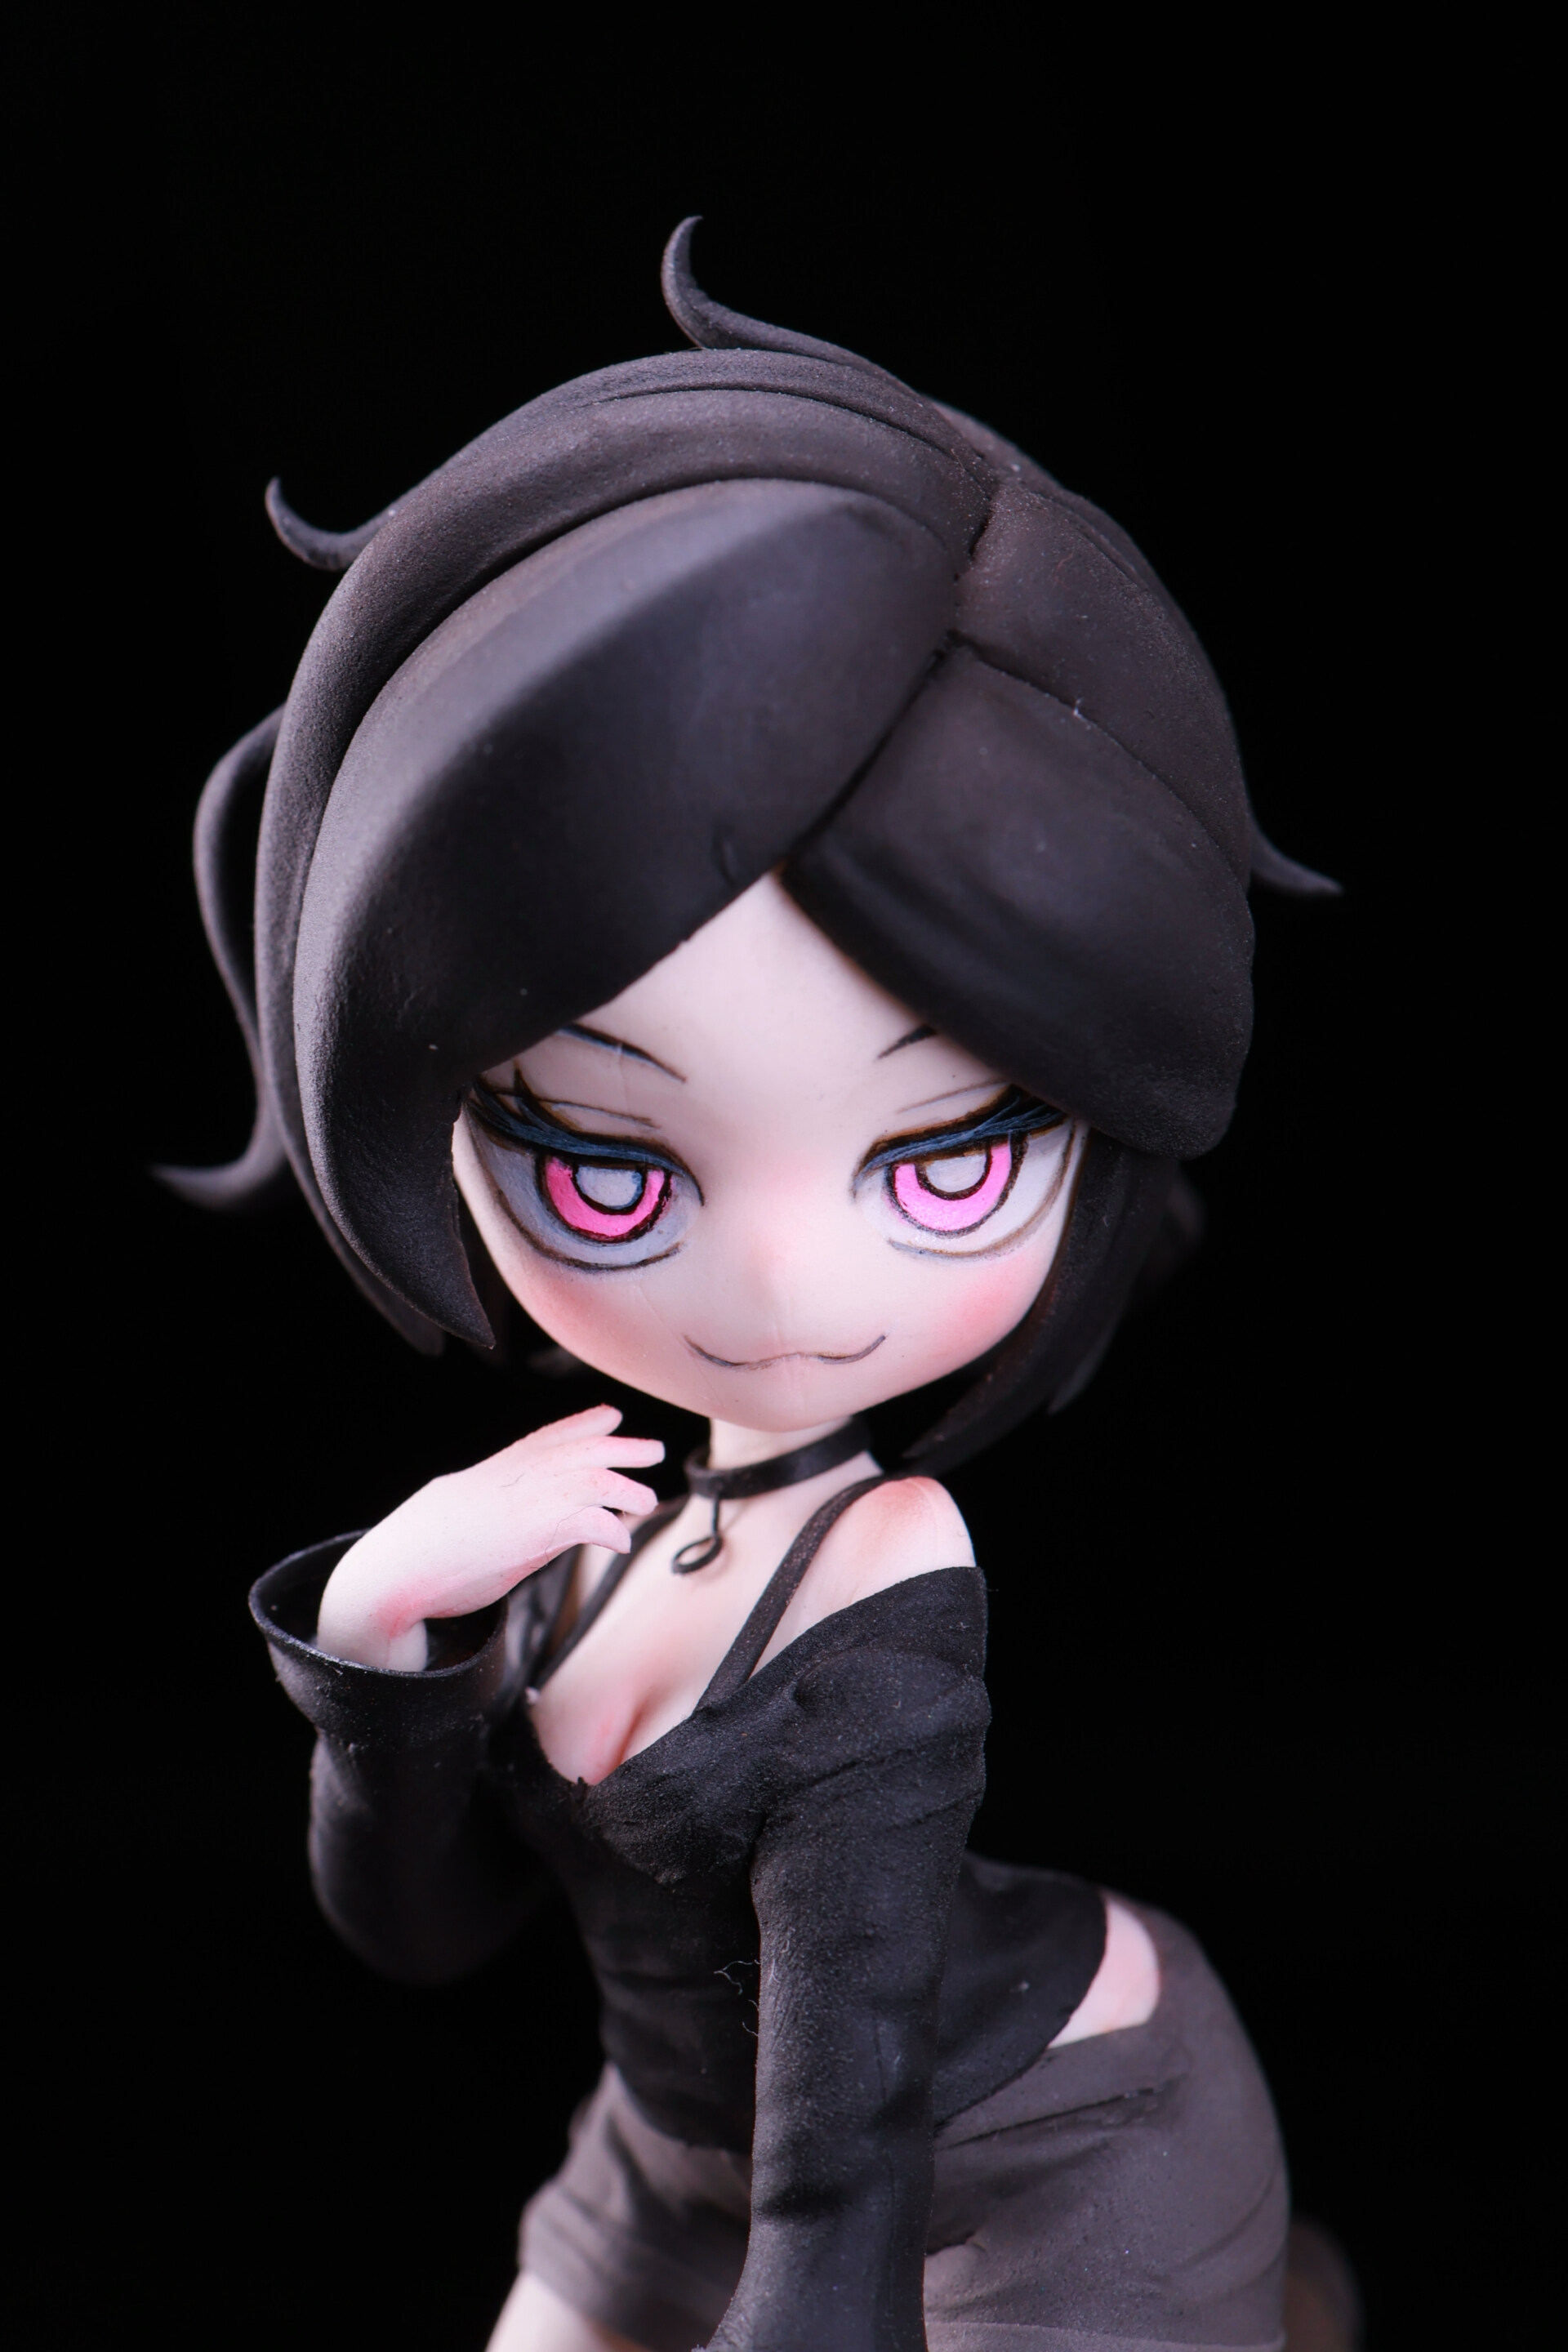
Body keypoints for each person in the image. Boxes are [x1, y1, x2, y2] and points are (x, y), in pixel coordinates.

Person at [167, 223, 1347, 2352]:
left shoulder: (890, 1562)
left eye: (951, 1156)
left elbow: (846, 2161)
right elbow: (423, 1932)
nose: (790, 1283)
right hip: (672, 2151)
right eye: (612, 1166)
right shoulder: (572, 1529)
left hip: (1044, 2144)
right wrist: (386, 1630)